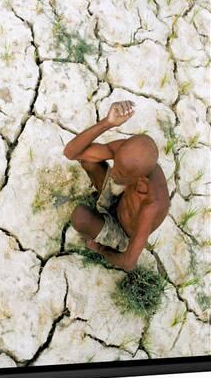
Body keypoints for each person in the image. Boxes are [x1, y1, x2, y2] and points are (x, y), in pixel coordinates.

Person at [63, 100, 170, 271]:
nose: (112, 173)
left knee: (80, 217)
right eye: (116, 165)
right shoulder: (127, 154)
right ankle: (104, 206)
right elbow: (71, 153)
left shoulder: (152, 204)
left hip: (122, 232)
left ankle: (100, 232)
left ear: (141, 181)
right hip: (118, 198)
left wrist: (100, 249)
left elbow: (128, 262)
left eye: (119, 173)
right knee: (89, 161)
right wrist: (107, 123)